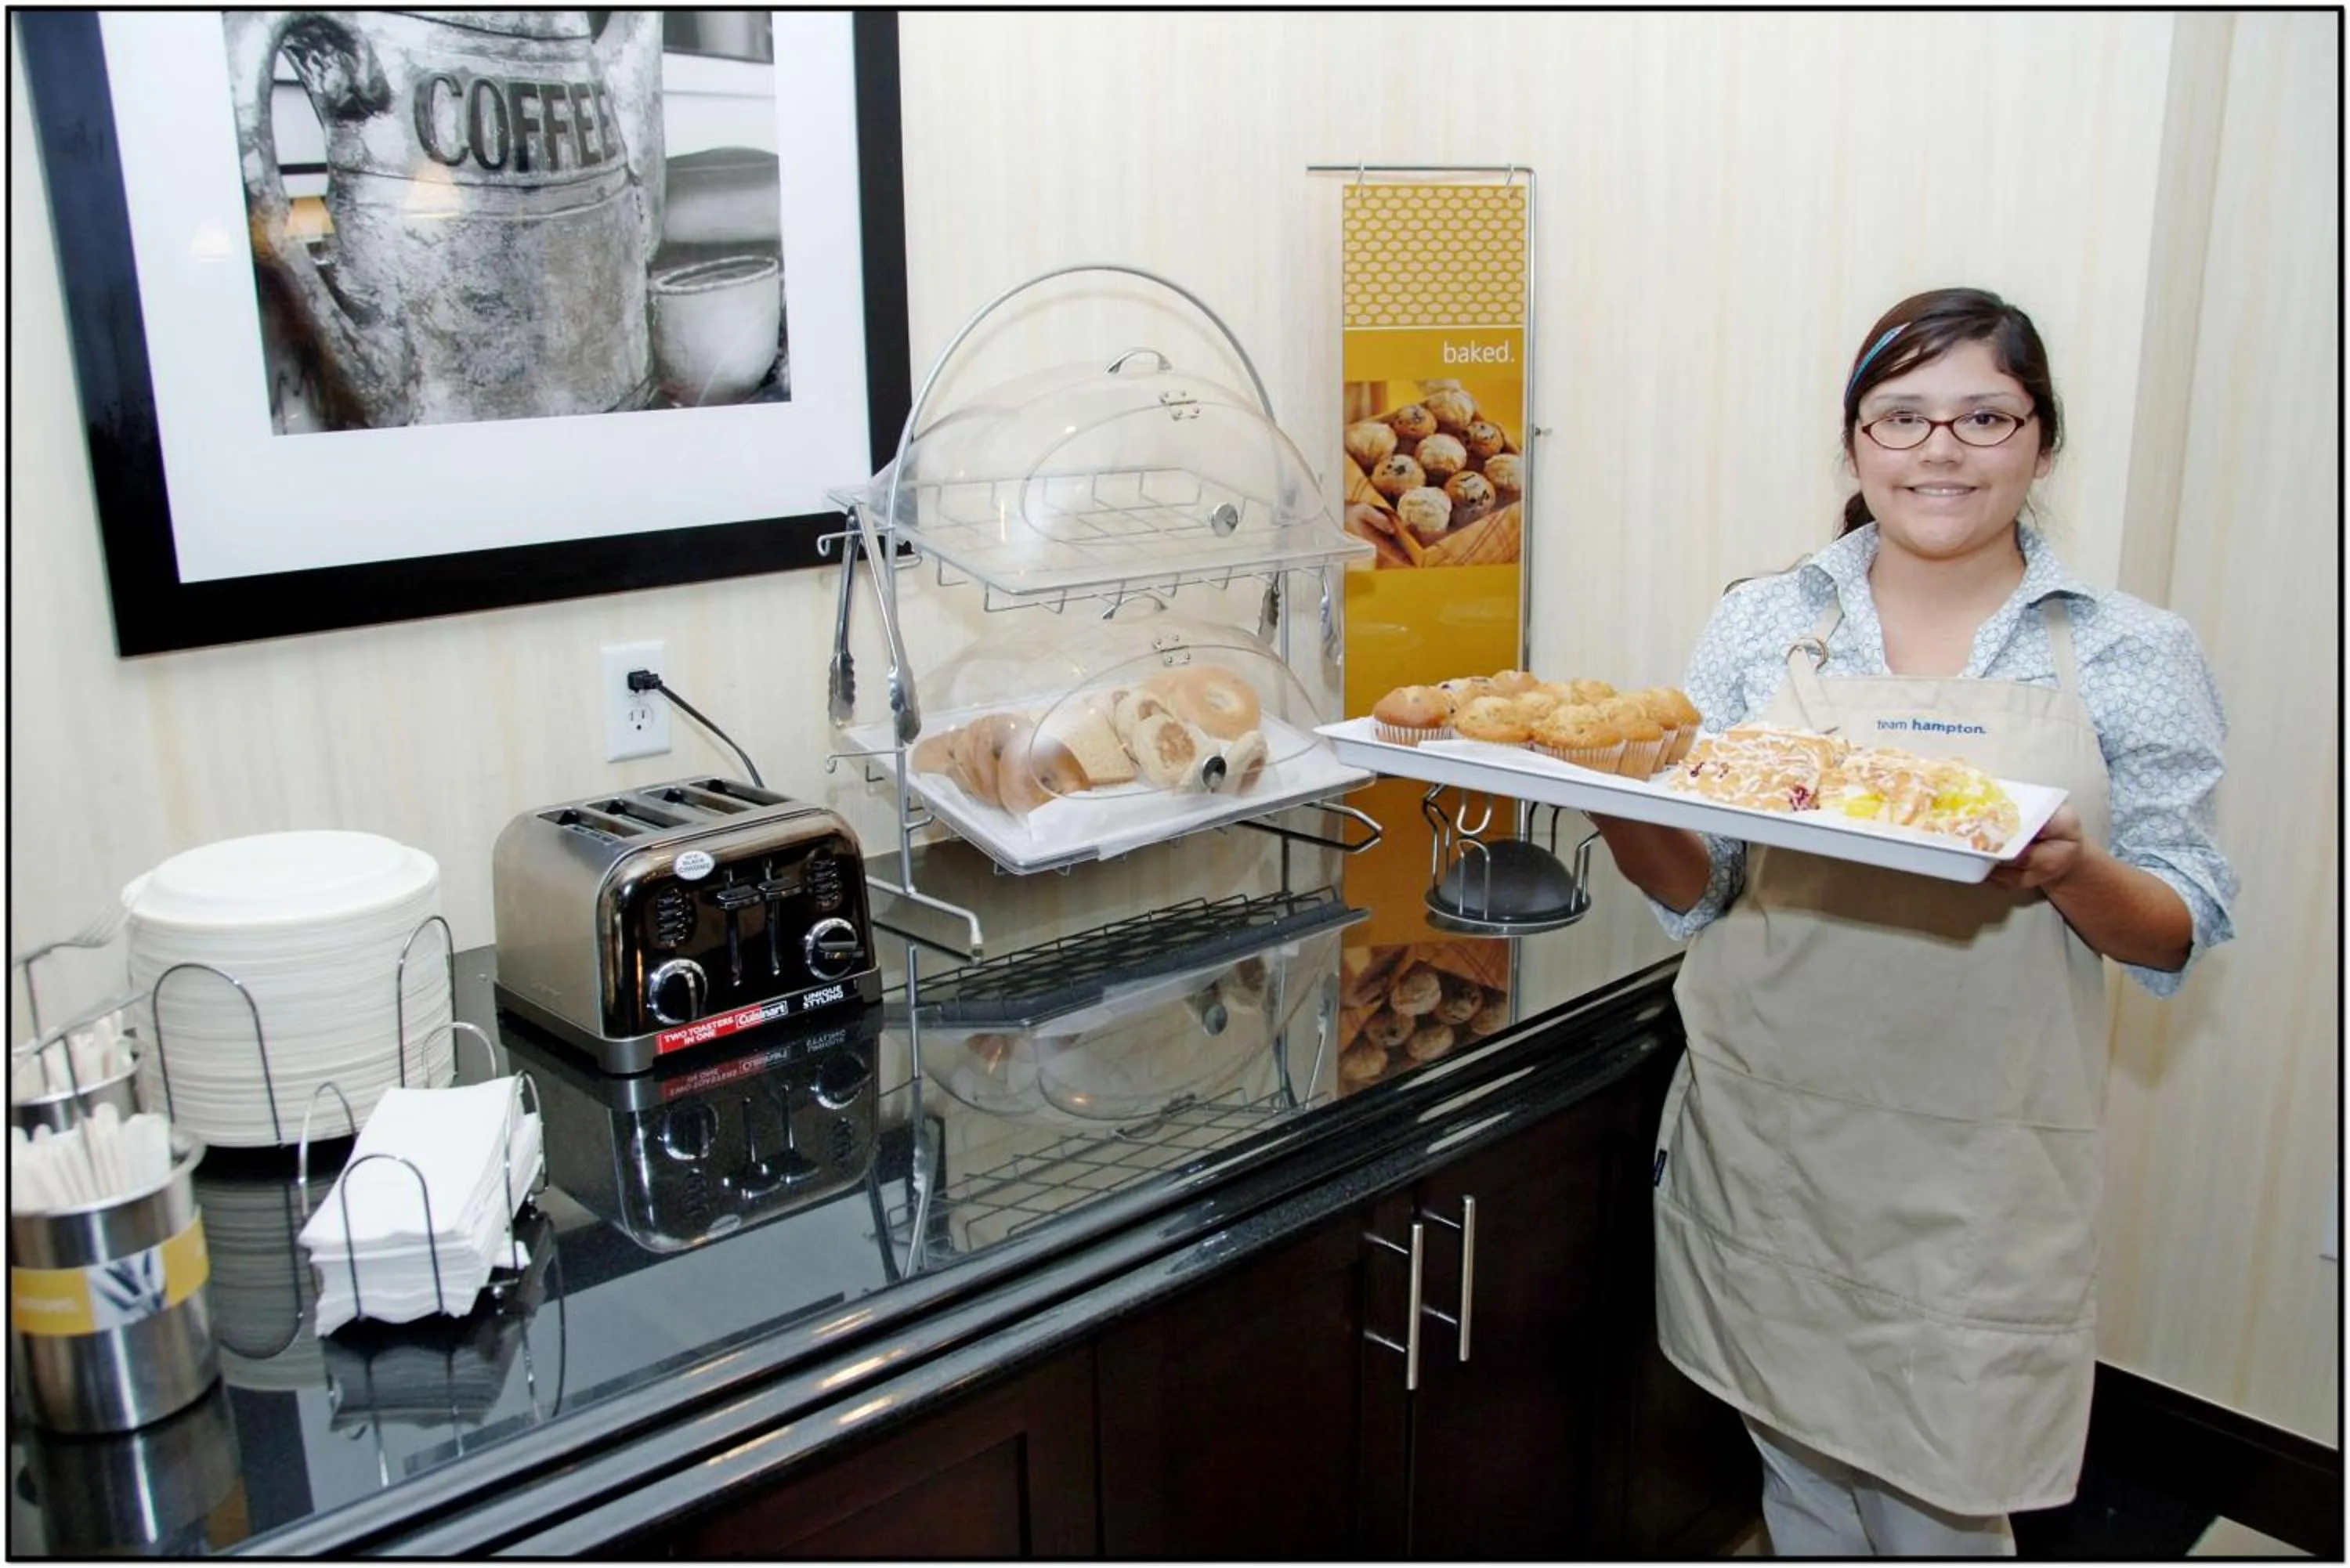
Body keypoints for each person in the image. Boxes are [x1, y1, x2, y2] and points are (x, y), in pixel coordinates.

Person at [1589, 287, 2237, 1555]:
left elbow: (2175, 926)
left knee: (1943, 1499)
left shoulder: (2127, 650)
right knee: (1800, 1475)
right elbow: (1701, 884)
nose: (1940, 449)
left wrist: (2064, 868)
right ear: (1855, 444)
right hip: (1769, 1128)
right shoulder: (1766, 619)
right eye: (1903, 417)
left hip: (1973, 1167)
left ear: (2041, 442)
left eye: (1984, 415)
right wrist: (1610, 793)